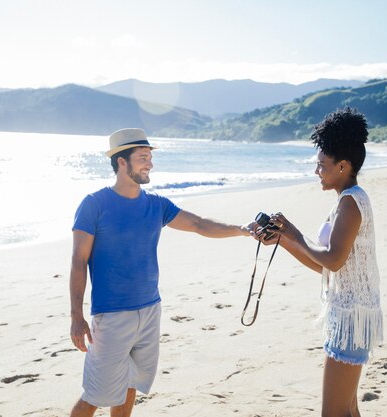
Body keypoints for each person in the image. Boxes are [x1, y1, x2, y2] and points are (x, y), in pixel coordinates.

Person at [69, 128, 251, 417]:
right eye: (143, 158)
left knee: (131, 385)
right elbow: (79, 261)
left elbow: (199, 224)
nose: (150, 164)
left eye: (150, 157)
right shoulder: (94, 205)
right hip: (112, 315)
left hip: (151, 311)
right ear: (121, 162)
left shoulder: (156, 205)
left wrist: (243, 230)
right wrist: (77, 317)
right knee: (95, 395)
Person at [254, 108, 383, 417]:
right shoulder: (347, 199)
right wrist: (284, 240)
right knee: (348, 411)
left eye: (322, 166)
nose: (317, 172)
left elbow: (334, 261)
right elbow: (324, 266)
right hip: (349, 313)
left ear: (343, 166)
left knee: (334, 413)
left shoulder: (350, 204)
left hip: (352, 318)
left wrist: (294, 232)